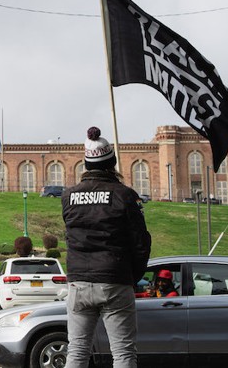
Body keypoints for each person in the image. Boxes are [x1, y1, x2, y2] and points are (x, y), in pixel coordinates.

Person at [61, 126, 152, 368]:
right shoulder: (124, 195)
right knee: (123, 354)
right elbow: (141, 242)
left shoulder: (68, 196)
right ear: (112, 162)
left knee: (77, 352)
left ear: (86, 165)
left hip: (78, 281)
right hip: (115, 279)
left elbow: (70, 237)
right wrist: (132, 276)